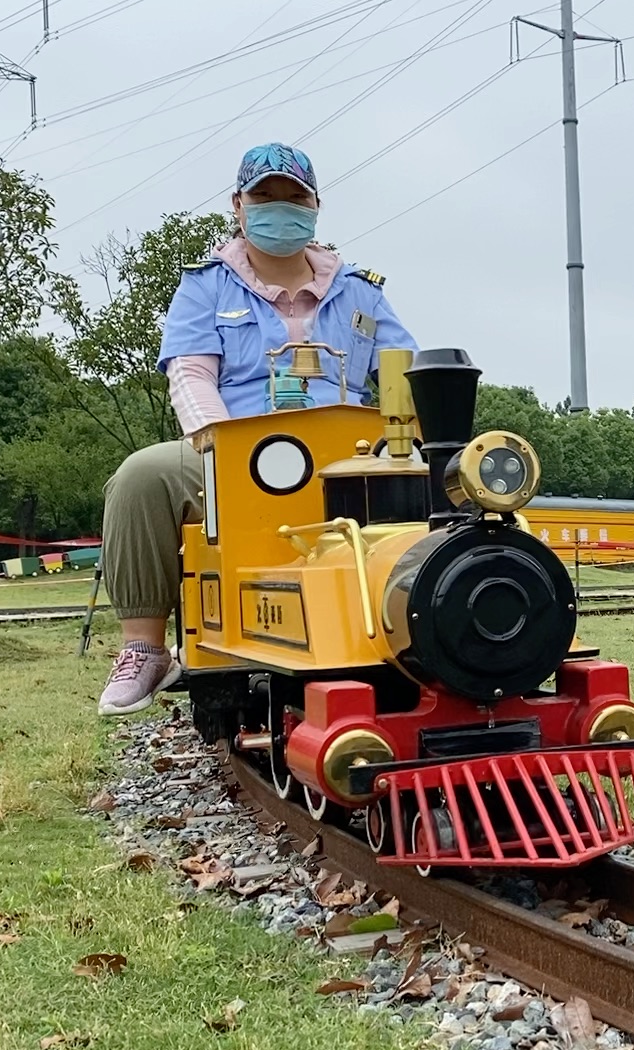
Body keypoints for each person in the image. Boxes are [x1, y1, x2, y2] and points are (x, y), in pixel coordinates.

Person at [96, 142, 417, 716]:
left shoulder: (361, 290)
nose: (279, 207)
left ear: (315, 206)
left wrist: (421, 436)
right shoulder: (205, 286)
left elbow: (406, 374)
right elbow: (191, 374)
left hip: (352, 449)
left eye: (293, 196)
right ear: (238, 206)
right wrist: (224, 448)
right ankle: (144, 646)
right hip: (240, 445)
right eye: (264, 195)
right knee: (142, 475)